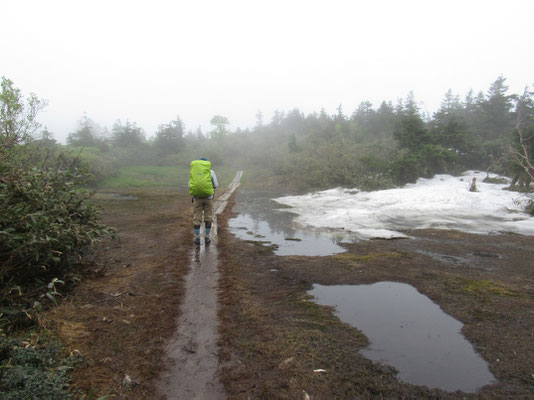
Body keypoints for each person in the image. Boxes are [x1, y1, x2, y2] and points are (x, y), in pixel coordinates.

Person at [189, 158, 219, 244]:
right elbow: (216, 185)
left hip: (197, 198)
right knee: (208, 217)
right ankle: (207, 238)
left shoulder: (194, 172)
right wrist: (210, 189)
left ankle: (197, 238)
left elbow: (189, 185)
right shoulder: (211, 172)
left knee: (197, 218)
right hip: (209, 198)